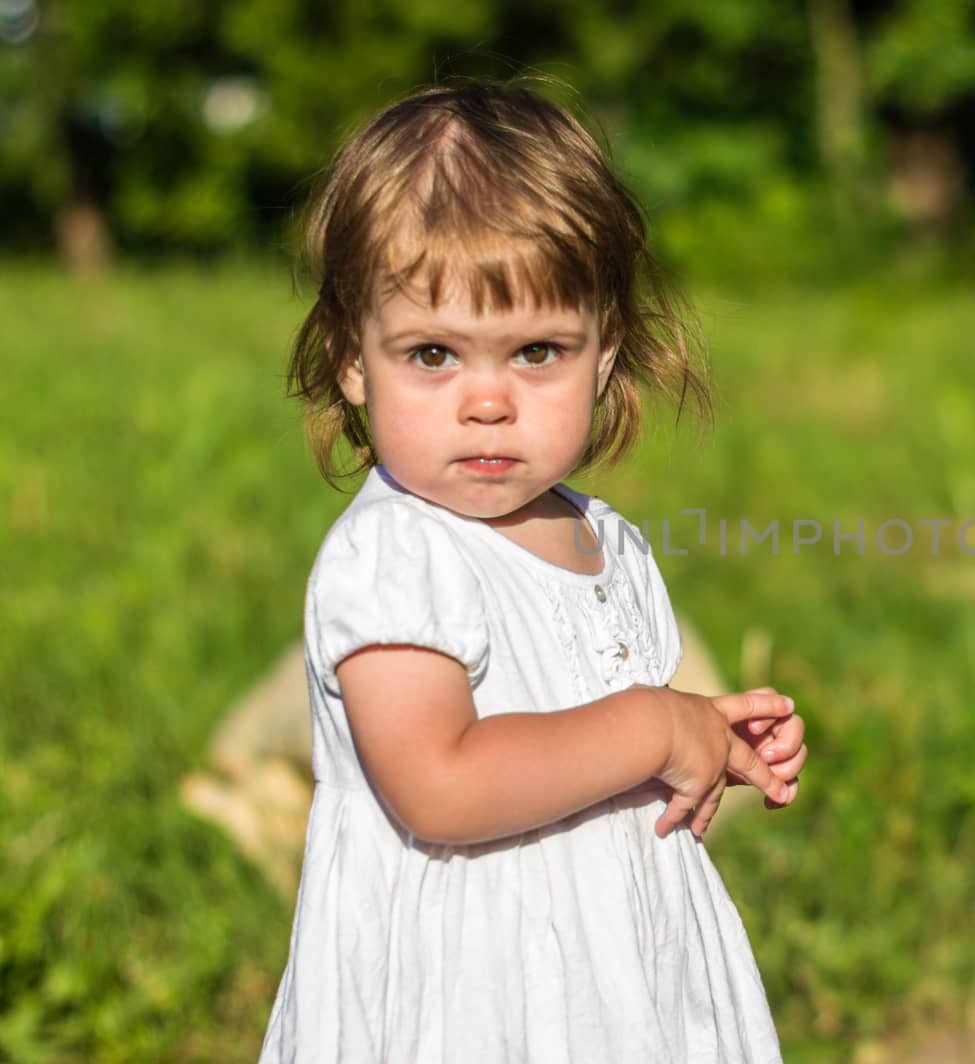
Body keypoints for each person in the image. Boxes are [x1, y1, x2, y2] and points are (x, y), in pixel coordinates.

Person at [260, 80, 807, 1063]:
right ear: (351, 360)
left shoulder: (610, 541)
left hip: (615, 978)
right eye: (432, 352)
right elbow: (439, 781)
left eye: (537, 352)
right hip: (466, 994)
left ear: (604, 355)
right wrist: (651, 724)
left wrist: (703, 735)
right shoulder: (399, 552)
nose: (486, 400)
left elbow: (591, 725)